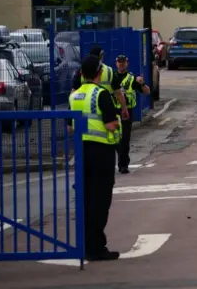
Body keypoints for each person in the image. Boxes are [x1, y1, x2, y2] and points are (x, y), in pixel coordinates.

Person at [68, 55, 121, 261]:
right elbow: (110, 125)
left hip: (82, 151)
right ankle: (96, 247)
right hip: (102, 152)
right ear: (99, 73)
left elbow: (71, 127)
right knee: (100, 201)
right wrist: (116, 123)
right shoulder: (101, 94)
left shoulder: (74, 96)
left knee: (86, 198)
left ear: (81, 74)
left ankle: (85, 243)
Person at [72, 45, 129, 121]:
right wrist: (124, 108)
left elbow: (74, 93)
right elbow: (118, 92)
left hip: (86, 109)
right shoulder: (109, 71)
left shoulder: (81, 71)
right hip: (108, 109)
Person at [114, 54, 150, 174]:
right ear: (116, 63)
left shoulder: (132, 78)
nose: (121, 64)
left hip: (126, 112)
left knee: (125, 139)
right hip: (113, 111)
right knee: (114, 139)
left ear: (127, 63)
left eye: (123, 62)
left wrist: (142, 83)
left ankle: (123, 165)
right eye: (119, 62)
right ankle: (119, 159)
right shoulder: (111, 77)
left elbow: (147, 92)